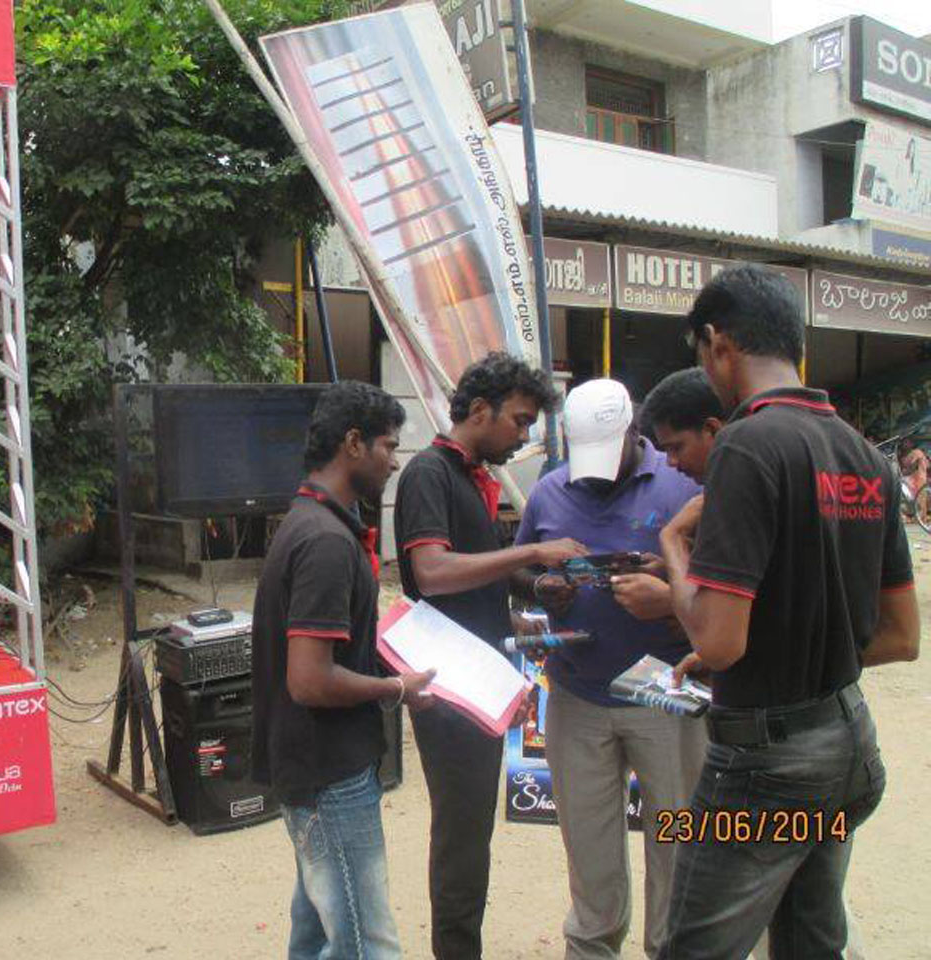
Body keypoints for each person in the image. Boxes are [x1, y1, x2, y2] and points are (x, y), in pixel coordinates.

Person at [658, 263, 921, 959]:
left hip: (766, 772)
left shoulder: (747, 443)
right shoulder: (865, 455)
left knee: (693, 949)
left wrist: (673, 547)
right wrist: (785, 651)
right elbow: (901, 635)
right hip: (848, 751)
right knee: (811, 941)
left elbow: (719, 641)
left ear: (719, 343)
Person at [393, 351, 586, 960]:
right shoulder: (429, 473)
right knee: (462, 835)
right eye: (520, 421)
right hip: (448, 685)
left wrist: (531, 595)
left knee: (471, 831)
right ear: (480, 410)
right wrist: (530, 554)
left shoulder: (470, 477)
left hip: (476, 676)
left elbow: (474, 580)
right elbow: (432, 572)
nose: (524, 436)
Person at [508, 377, 707, 960]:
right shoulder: (550, 491)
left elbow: (726, 584)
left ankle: (672, 949)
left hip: (667, 694)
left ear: (633, 433)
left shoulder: (684, 484)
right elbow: (519, 569)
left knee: (677, 840)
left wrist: (667, 590)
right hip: (578, 697)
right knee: (588, 845)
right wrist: (543, 588)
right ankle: (592, 945)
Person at [251, 380, 436, 960]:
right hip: (329, 774)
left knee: (315, 933)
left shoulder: (312, 522)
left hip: (320, 767)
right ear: (354, 444)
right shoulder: (326, 542)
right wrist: (395, 688)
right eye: (389, 445)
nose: (395, 461)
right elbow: (309, 680)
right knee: (365, 943)